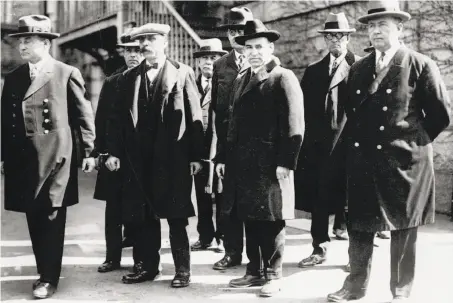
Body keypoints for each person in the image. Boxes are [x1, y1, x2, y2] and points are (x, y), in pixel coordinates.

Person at [327, 1, 451, 302]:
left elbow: (439, 115)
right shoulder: (358, 69)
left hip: (405, 162)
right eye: (371, 26)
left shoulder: (420, 64)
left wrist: (409, 144)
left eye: (383, 24)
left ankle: (401, 291)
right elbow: (351, 114)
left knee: (403, 229)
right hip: (364, 162)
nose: (376, 31)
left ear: (400, 28)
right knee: (359, 226)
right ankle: (354, 286)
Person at [1, 15, 96, 299]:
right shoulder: (16, 77)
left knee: (52, 216)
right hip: (24, 159)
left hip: (56, 157)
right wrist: (4, 156)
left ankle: (48, 278)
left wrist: (89, 151)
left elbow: (83, 114)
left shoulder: (65, 73)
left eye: (28, 40)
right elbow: (6, 121)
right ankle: (44, 271)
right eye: (20, 42)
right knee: (34, 216)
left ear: (45, 42)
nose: (22, 47)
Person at [104, 22, 204, 288]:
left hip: (173, 160)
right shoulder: (129, 78)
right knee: (142, 216)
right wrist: (113, 152)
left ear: (164, 42)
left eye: (151, 39)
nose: (145, 45)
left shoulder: (182, 73)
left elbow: (195, 117)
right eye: (142, 40)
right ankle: (147, 267)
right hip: (138, 161)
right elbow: (116, 120)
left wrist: (197, 157)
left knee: (176, 217)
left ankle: (182, 270)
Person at [222, 19, 304, 297]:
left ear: (270, 47)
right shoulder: (242, 78)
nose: (253, 52)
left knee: (272, 219)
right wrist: (224, 158)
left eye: (259, 46)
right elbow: (232, 123)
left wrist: (286, 162)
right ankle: (254, 271)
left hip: (271, 165)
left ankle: (274, 275)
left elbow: (295, 126)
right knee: (251, 218)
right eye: (249, 47)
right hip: (243, 165)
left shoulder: (283, 77)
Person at [295, 12, 360, 268]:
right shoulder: (313, 71)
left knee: (352, 203)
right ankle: (318, 248)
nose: (335, 41)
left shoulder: (361, 67)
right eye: (330, 36)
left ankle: (356, 257)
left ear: (347, 38)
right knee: (319, 200)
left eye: (340, 36)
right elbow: (303, 112)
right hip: (319, 148)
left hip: (350, 146)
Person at [205, 6, 254, 271]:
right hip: (229, 144)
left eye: (241, 30)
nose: (236, 35)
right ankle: (232, 252)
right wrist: (220, 154)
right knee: (228, 203)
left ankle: (259, 260)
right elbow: (216, 111)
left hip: (256, 145)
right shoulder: (220, 66)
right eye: (232, 30)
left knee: (256, 203)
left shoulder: (261, 60)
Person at [94, 26, 144, 273]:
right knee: (113, 210)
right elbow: (102, 120)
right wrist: (103, 153)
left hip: (141, 159)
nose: (133, 55)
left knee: (139, 210)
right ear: (122, 53)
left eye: (137, 50)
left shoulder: (149, 81)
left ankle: (140, 260)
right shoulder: (112, 81)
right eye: (128, 51)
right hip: (115, 158)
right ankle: (112, 257)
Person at [190, 39, 227, 253]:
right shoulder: (192, 84)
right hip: (199, 150)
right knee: (202, 195)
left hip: (220, 148)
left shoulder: (226, 85)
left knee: (221, 195)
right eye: (204, 58)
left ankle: (222, 237)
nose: (208, 62)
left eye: (213, 58)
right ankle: (205, 236)